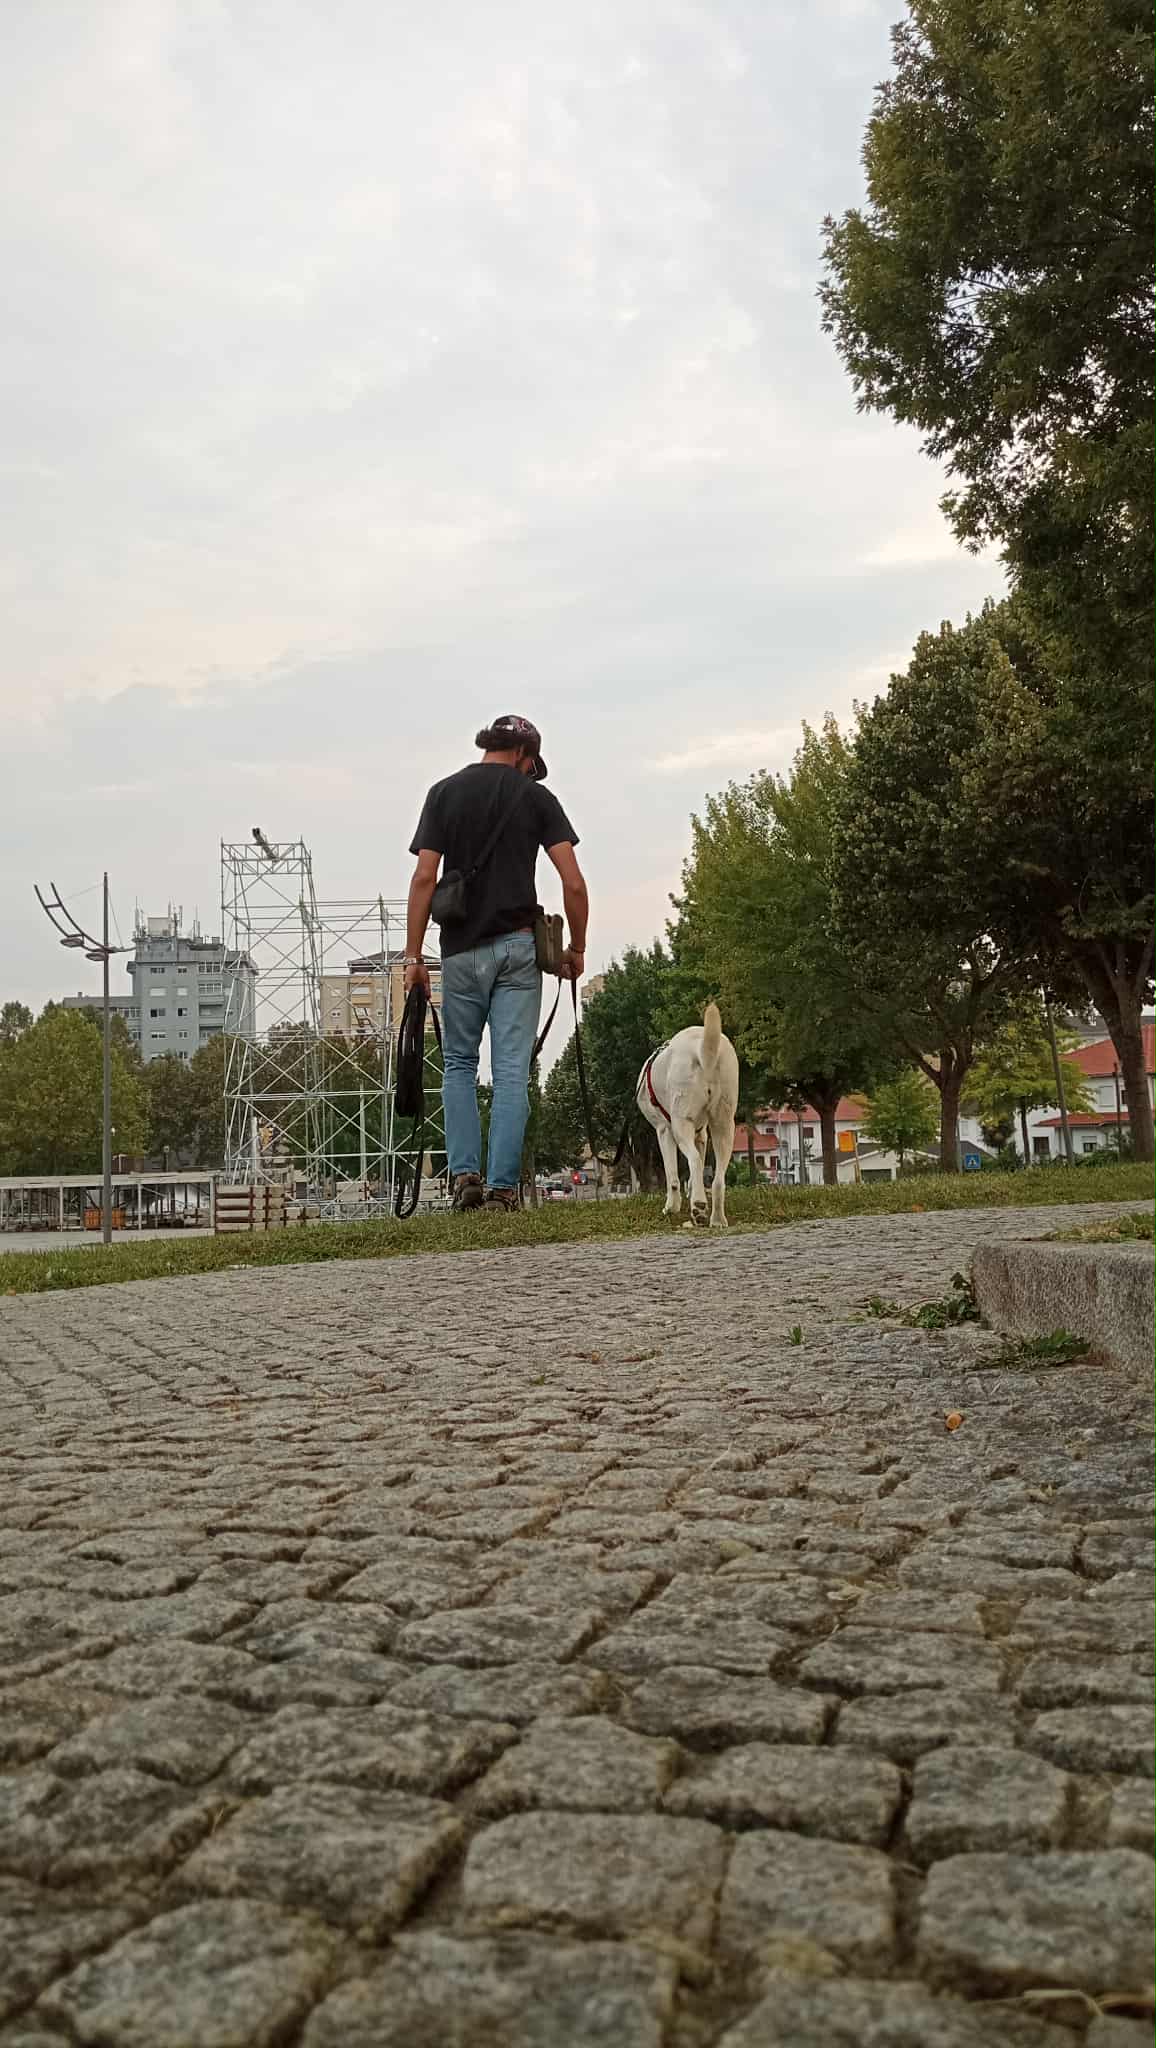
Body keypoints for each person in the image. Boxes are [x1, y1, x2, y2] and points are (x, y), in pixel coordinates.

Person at [404, 715, 588, 1213]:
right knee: (511, 1073)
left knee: (458, 1065)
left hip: (458, 952)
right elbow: (572, 882)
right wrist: (577, 949)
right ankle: (504, 1190)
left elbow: (424, 879)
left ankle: (465, 1176)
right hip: (516, 948)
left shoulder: (443, 793)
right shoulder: (537, 798)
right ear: (525, 757)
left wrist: (414, 956)